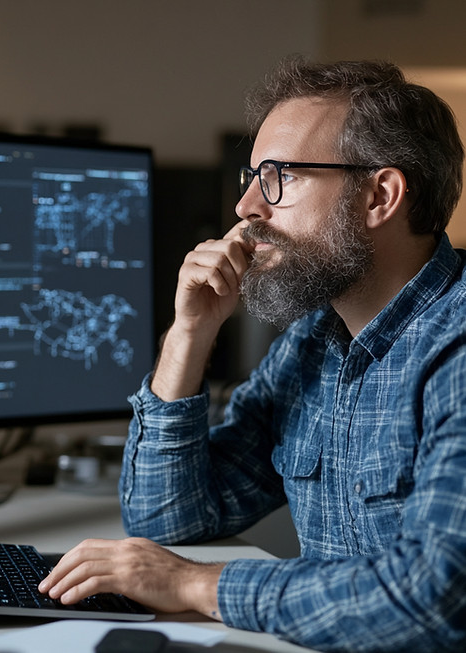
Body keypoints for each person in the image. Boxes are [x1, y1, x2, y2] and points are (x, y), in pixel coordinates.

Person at [38, 57, 466, 652]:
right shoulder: (314, 340)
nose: (245, 207)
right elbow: (169, 519)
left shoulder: (456, 354)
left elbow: (432, 597)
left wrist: (194, 585)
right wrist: (190, 334)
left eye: (278, 176)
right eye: (252, 176)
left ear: (380, 196)